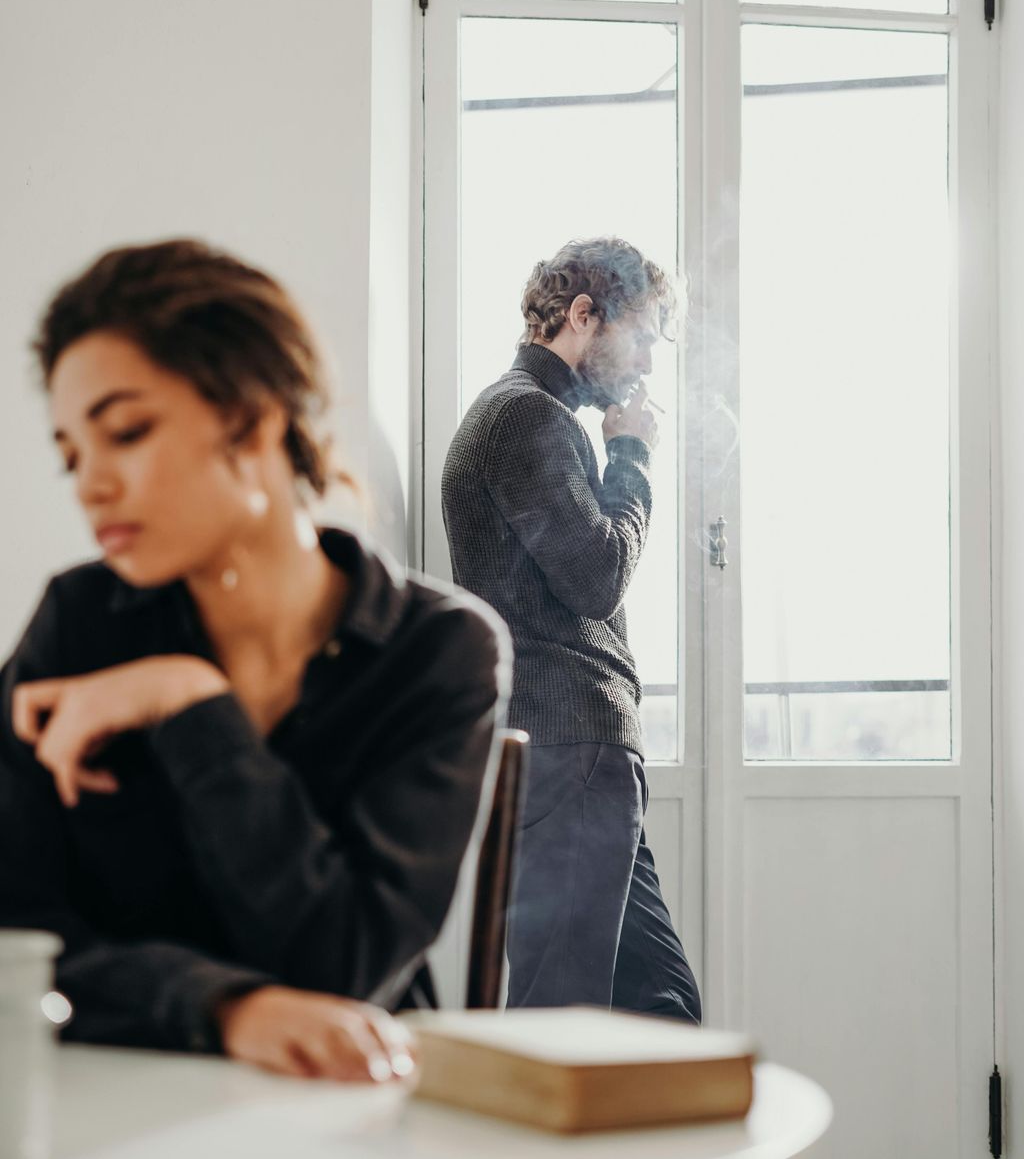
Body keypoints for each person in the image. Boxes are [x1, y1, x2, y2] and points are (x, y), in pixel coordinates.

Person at [0, 239, 510, 1081]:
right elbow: (13, 939)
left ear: (255, 418)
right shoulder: (78, 621)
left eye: (124, 431)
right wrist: (221, 1005)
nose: (89, 483)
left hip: (343, 1110)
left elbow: (343, 967)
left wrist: (191, 704)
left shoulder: (441, 650)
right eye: (70, 456)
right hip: (109, 1099)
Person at [442, 237, 700, 1022]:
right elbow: (595, 577)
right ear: (584, 315)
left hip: (575, 751)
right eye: (645, 336)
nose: (648, 365)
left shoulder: (529, 415)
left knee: (663, 1007)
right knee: (562, 1017)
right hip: (569, 747)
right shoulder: (527, 415)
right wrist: (630, 457)